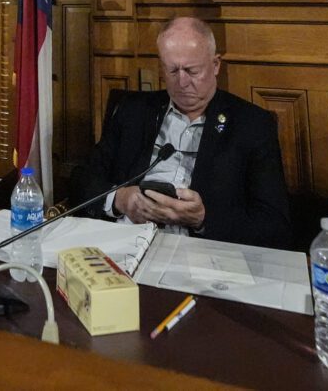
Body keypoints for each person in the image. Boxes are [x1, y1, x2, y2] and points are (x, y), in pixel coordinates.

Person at [70, 17, 293, 249]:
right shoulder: (133, 111)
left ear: (216, 65)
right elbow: (82, 179)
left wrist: (202, 219)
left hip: (204, 254)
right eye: (172, 70)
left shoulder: (252, 124)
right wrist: (119, 199)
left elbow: (275, 226)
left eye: (191, 70)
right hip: (125, 242)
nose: (182, 82)